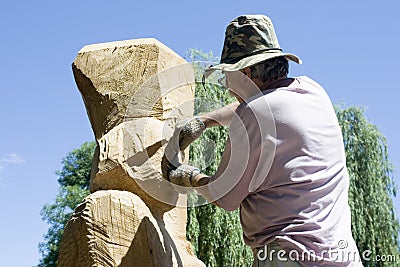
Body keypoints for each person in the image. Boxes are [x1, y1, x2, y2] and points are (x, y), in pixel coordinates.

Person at [162, 14, 363, 266]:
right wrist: (204, 120)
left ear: (245, 72)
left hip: (288, 256)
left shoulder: (253, 115)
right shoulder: (313, 91)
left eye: (227, 76)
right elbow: (260, 105)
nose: (225, 85)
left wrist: (186, 175)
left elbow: (223, 195)